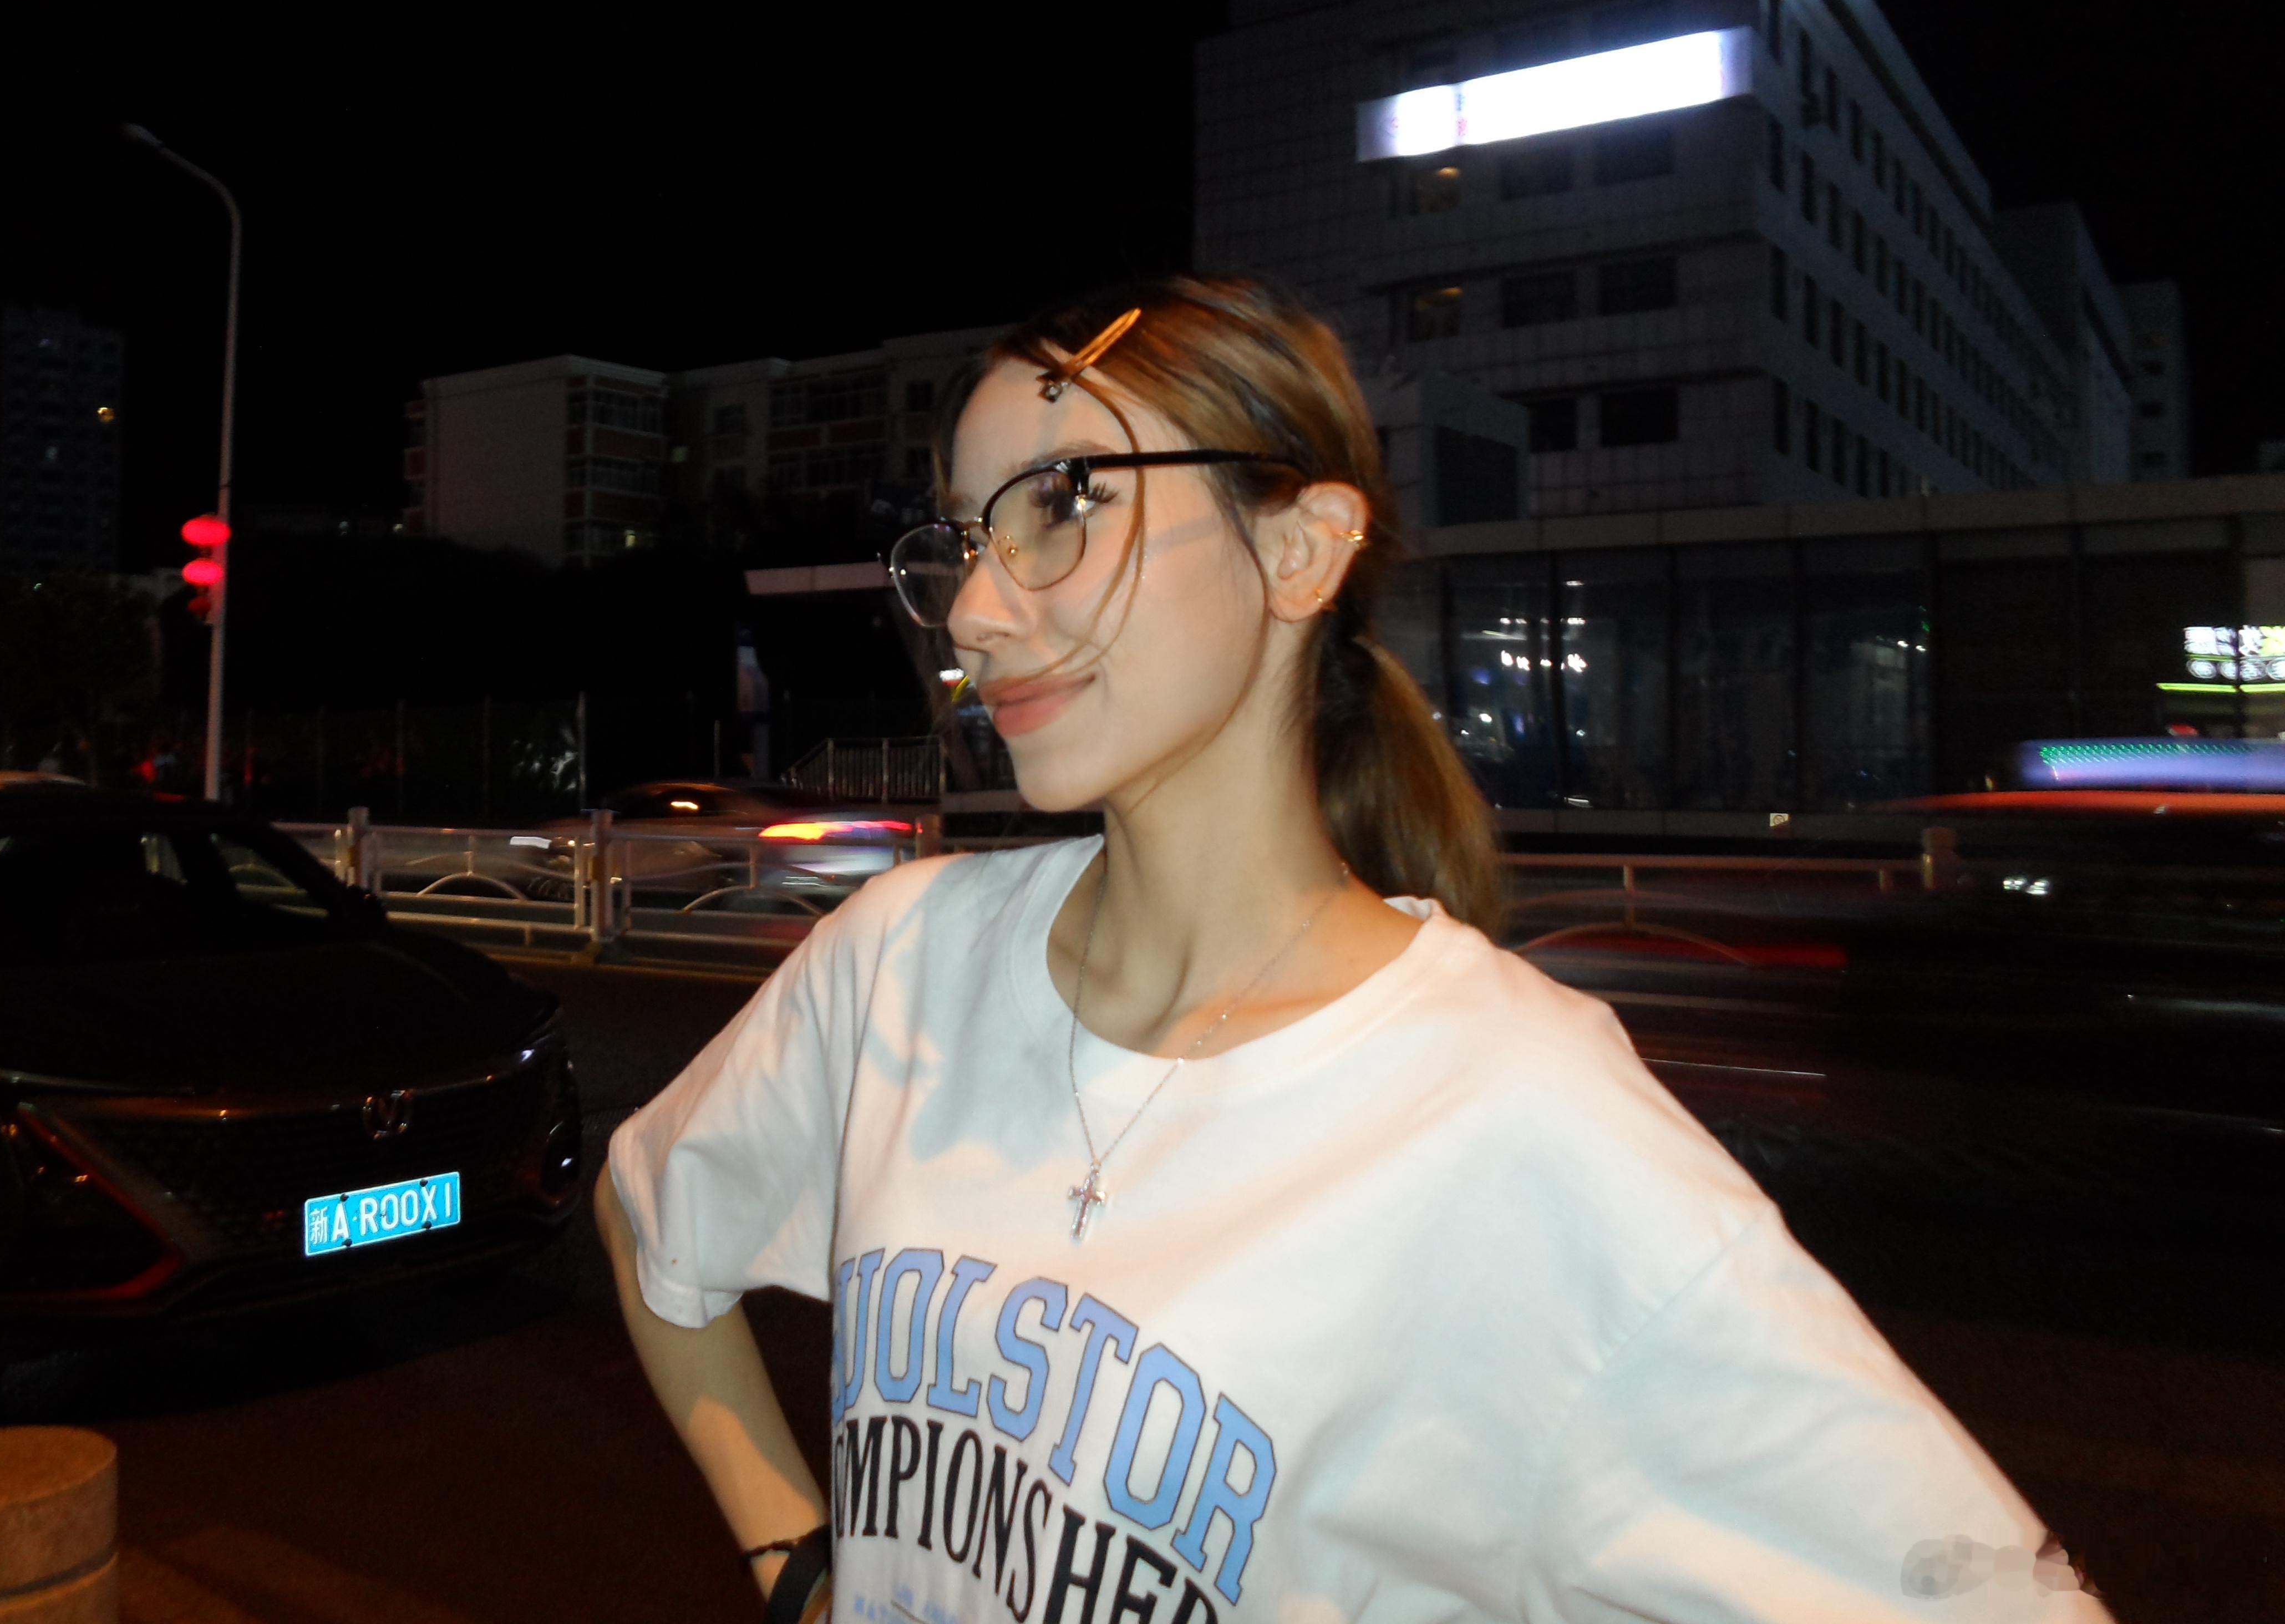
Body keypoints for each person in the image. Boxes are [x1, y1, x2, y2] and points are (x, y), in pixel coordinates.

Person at [597, 278, 2110, 1622]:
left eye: (1065, 502)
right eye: (970, 538)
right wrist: (798, 1568)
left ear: (1303, 547)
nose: (980, 612)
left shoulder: (1509, 1112)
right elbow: (651, 1215)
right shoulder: (898, 961)